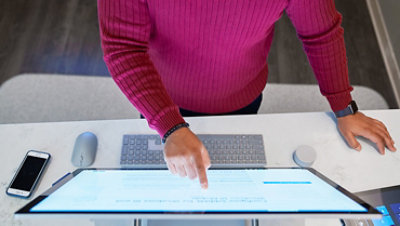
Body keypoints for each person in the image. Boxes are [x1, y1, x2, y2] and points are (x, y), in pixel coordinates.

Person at [97, 0, 397, 189]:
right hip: (161, 97)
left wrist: (345, 107)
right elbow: (123, 47)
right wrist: (170, 125)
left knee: (231, 184)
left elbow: (320, 33)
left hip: (242, 96)